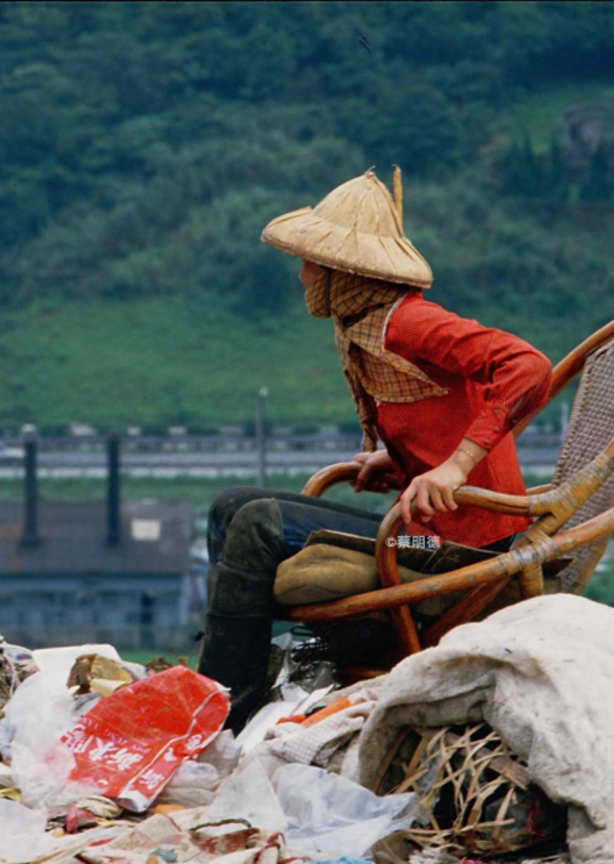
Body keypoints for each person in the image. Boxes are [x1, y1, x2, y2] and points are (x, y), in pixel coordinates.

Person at [198, 168, 553, 731]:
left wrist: (456, 467)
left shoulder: (409, 322)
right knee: (230, 506)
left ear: (344, 273)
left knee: (260, 523)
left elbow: (528, 366)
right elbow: (438, 415)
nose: (302, 276)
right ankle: (225, 681)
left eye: (312, 264)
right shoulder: (367, 326)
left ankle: (225, 712)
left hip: (449, 550)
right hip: (418, 535)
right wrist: (403, 460)